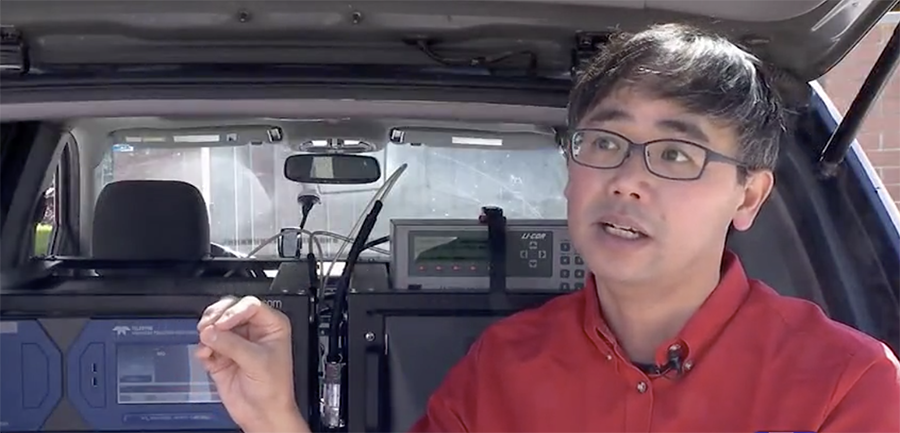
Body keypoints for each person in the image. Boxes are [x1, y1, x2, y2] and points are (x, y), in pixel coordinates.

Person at [194, 23, 900, 433]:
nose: (627, 177)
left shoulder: (847, 383)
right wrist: (275, 417)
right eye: (604, 142)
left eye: (676, 154)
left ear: (749, 196)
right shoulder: (502, 366)